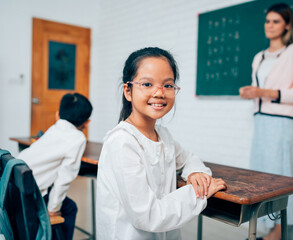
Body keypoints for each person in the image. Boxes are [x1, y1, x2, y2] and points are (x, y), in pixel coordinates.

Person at [96, 47, 226, 240]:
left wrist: (195, 172)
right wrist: (198, 193)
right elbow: (147, 216)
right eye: (147, 84)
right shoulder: (122, 142)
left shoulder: (163, 135)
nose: (159, 93)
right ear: (128, 91)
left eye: (168, 85)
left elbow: (189, 158)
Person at [239, 3, 293, 240]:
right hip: (261, 123)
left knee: (280, 177)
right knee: (260, 179)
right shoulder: (258, 57)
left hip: (281, 123)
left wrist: (267, 93)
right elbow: (259, 91)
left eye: (276, 21)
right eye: (267, 21)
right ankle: (264, 231)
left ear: (287, 25)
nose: (270, 26)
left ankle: (278, 233)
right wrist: (251, 93)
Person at [17, 92, 93, 240]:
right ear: (86, 122)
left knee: (65, 203)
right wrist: (53, 209)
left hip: (14, 186)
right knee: (70, 208)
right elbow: (64, 179)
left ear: (58, 114)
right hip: (29, 195)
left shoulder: (54, 128)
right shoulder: (78, 139)